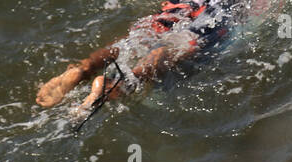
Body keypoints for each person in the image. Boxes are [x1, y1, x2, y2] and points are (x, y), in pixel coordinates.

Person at [36, 1, 245, 112]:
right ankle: (125, 81)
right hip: (219, 10)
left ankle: (85, 68)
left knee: (138, 37)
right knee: (182, 43)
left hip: (180, 3)